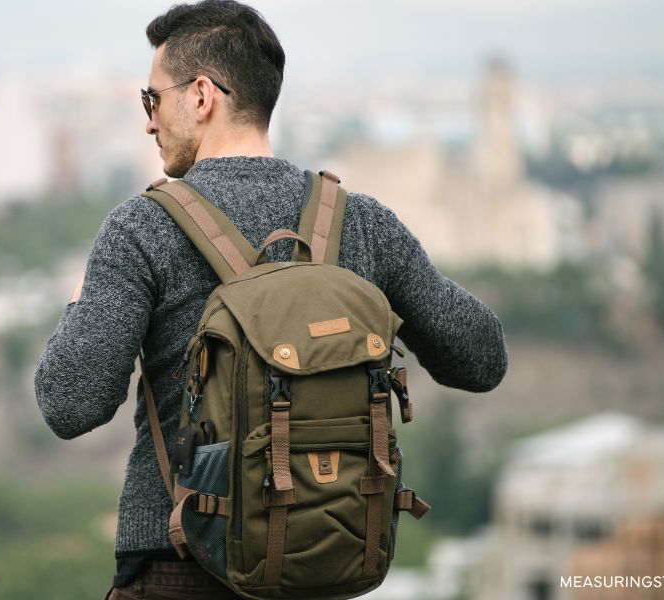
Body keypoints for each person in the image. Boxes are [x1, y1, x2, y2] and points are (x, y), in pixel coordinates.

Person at [34, 1, 509, 598]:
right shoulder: (360, 222)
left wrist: (81, 306)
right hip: (327, 563)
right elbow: (482, 359)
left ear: (201, 96)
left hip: (181, 568)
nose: (149, 123)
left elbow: (70, 404)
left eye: (151, 99)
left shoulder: (142, 229)